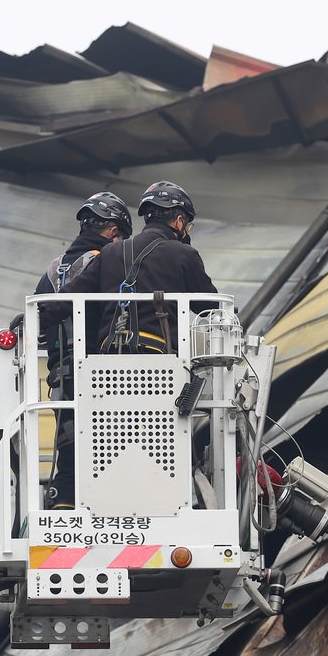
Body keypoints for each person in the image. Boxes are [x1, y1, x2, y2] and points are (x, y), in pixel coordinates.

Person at [35, 192, 131, 508]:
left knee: (69, 441)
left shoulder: (51, 271)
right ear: (114, 231)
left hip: (59, 373)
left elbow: (40, 322)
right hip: (97, 370)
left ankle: (64, 500)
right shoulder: (104, 264)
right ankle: (107, 501)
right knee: (109, 442)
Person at [46, 180, 218, 355]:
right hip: (162, 361)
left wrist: (32, 320)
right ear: (179, 221)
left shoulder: (109, 252)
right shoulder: (184, 254)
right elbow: (210, 306)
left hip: (110, 359)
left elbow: (68, 297)